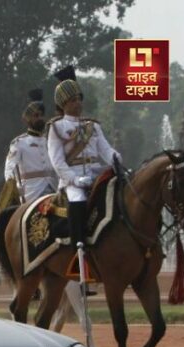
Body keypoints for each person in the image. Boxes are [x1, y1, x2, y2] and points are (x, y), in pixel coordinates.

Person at [47, 65, 121, 250]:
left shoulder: (93, 126)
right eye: (72, 100)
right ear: (63, 104)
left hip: (96, 173)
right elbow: (57, 162)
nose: (78, 103)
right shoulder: (57, 128)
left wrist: (116, 158)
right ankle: (78, 248)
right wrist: (74, 179)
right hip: (73, 179)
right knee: (77, 200)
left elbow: (105, 150)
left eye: (79, 98)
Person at [4, 88, 57, 204]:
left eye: (42, 115)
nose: (40, 118)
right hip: (32, 192)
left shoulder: (51, 141)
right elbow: (9, 168)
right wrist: (14, 188)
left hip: (54, 189)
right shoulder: (19, 143)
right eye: (36, 115)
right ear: (28, 119)